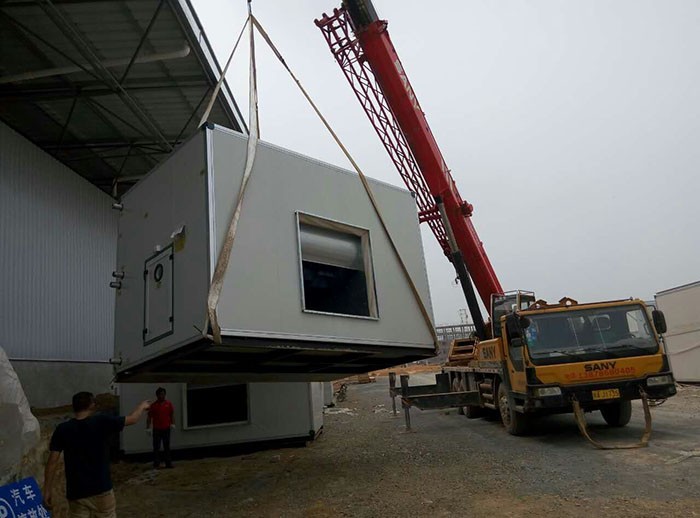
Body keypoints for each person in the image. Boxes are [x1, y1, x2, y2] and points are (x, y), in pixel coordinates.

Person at [43, 391, 150, 517]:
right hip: (101, 490)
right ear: (91, 405)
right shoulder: (101, 422)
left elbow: (52, 462)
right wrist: (142, 406)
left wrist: (47, 489)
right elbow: (132, 419)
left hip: (76, 493)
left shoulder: (63, 429)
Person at [146, 387, 175, 469]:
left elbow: (171, 414)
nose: (162, 396)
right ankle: (156, 464)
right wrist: (148, 428)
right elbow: (149, 417)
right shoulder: (153, 405)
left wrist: (173, 423)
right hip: (157, 429)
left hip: (166, 428)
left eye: (163, 394)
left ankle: (168, 463)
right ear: (157, 395)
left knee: (167, 446)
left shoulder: (168, 404)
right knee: (156, 447)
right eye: (160, 394)